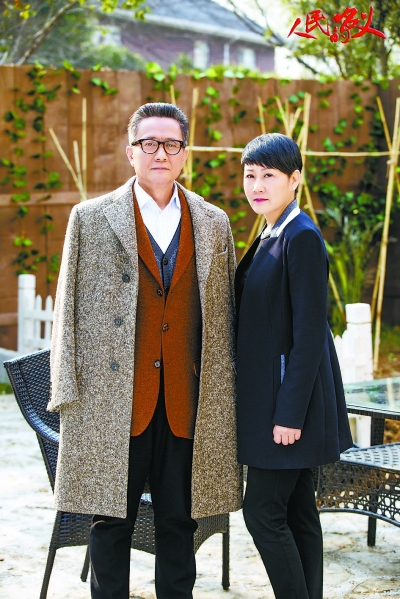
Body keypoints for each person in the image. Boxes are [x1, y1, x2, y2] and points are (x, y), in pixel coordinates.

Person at [47, 102, 242, 599]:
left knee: (180, 521)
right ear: (131, 151)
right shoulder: (90, 218)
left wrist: (229, 392)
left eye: (172, 144)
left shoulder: (213, 222)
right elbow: (66, 310)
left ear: (185, 153)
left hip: (185, 400)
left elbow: (226, 316)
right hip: (112, 402)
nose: (161, 153)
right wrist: (66, 391)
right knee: (109, 522)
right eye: (149, 143)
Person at [235, 133, 353, 599]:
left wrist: (288, 414)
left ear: (295, 179)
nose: (257, 185)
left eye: (269, 175)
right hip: (276, 400)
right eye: (250, 175)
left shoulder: (301, 237)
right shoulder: (272, 232)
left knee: (262, 513)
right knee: (299, 512)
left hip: (287, 407)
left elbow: (308, 336)